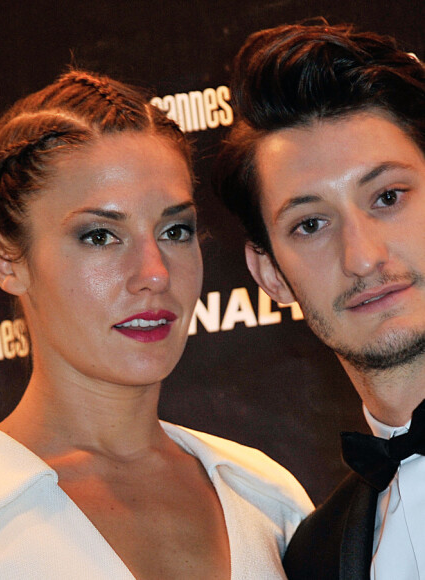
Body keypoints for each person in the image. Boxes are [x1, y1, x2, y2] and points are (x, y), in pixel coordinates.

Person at [0, 69, 311, 579]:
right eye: (99, 236)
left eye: (175, 230)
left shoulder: (267, 498)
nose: (154, 273)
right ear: (7, 260)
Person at [214, 20, 425, 580]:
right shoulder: (314, 554)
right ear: (271, 274)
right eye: (310, 224)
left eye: (388, 197)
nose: (361, 256)